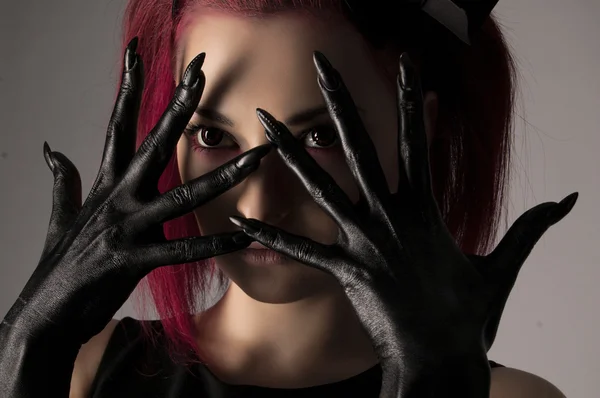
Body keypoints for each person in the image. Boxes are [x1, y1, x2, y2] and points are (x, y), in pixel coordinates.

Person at [0, 0, 576, 397]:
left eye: (319, 138)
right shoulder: (79, 372)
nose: (257, 206)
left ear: (415, 131)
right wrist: (22, 353)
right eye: (212, 136)